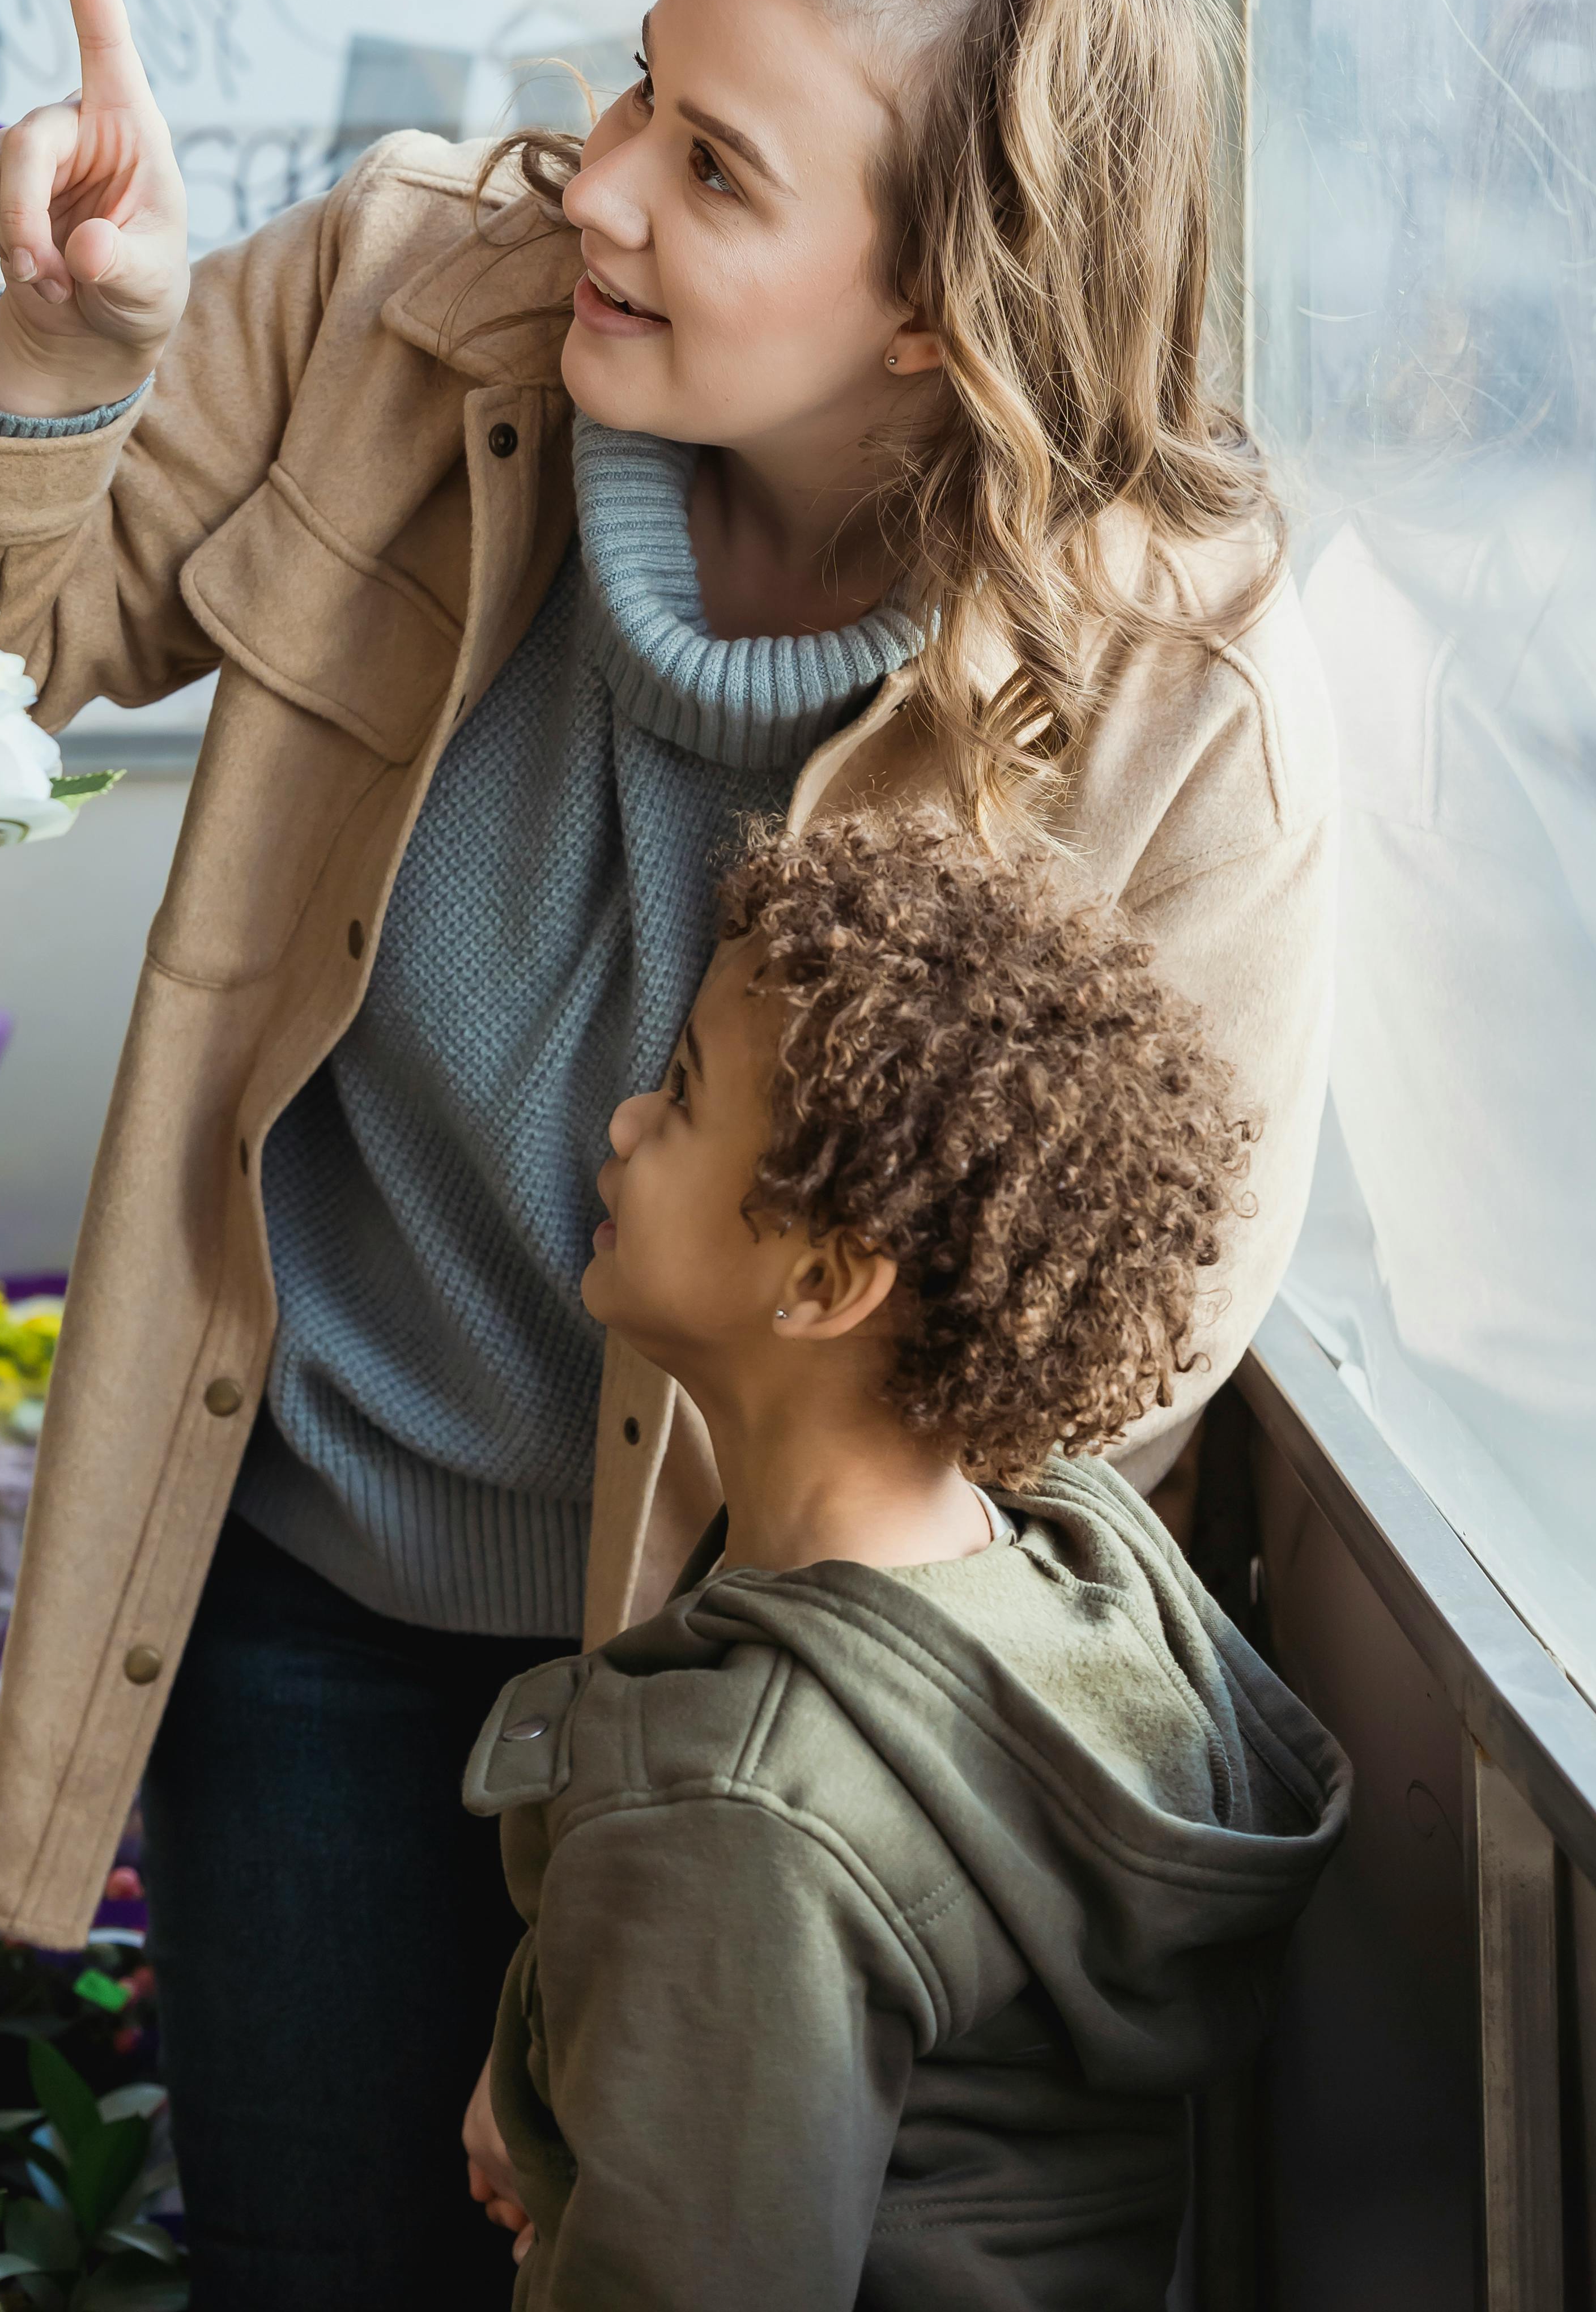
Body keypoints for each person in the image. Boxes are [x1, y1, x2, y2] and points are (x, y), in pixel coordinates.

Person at [0, 0, 1338, 2305]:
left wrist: (664, 1874)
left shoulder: (1166, 676)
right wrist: (53, 363)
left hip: (776, 1723)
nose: (602, 183)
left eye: (720, 170)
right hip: (306, 1593)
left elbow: (1127, 1333)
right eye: (640, 78)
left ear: (932, 307)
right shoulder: (412, 299)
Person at [460, 807, 1347, 2307]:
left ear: (822, 1277)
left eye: (680, 1099)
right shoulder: (1057, 1563)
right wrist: (542, 2080)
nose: (621, 1123)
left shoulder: (749, 1813)